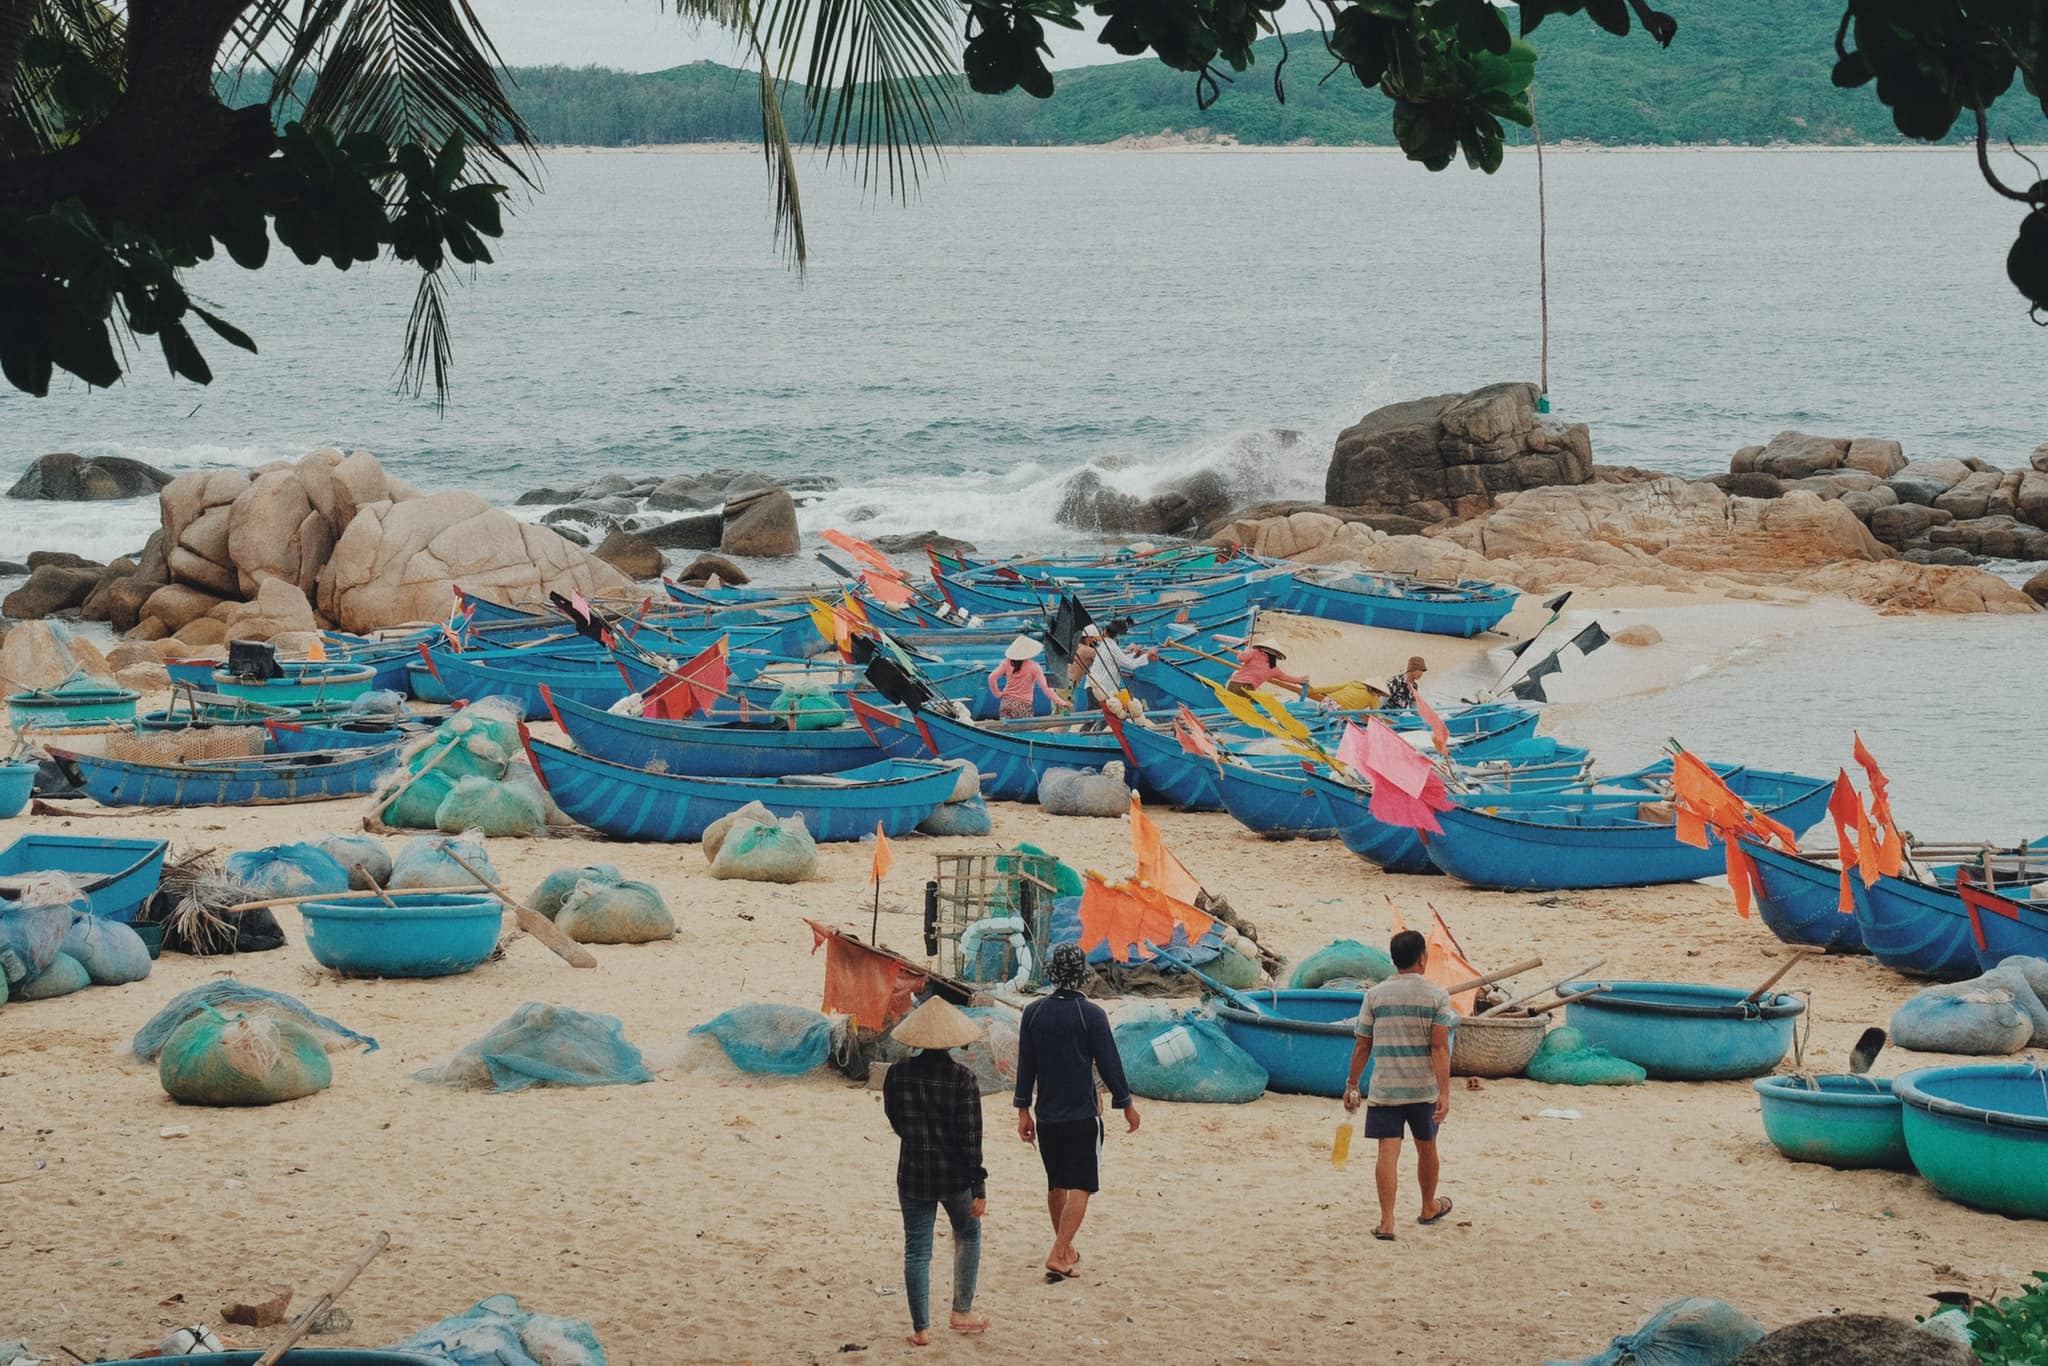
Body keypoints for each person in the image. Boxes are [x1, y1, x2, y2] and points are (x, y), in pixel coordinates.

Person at [1014, 944, 1139, 1280]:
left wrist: (1023, 1110)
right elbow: (1110, 1064)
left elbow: (1026, 1066)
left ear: (1053, 974)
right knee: (1081, 1185)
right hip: (1083, 1115)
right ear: (1083, 975)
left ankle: (1065, 1248)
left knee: (1057, 1185)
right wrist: (1126, 1104)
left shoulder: (1034, 1013)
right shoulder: (1092, 1015)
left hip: (1048, 1116)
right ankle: (1058, 1252)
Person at [882, 997, 992, 1346]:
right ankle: (961, 1311)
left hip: (913, 1173)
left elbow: (896, 1121)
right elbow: (971, 1138)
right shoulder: (964, 1079)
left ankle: (921, 1329)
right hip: (956, 1176)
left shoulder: (897, 1074)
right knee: (969, 1234)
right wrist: (979, 1186)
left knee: (917, 1250)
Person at [1343, 929, 1457, 1240]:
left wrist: (1352, 1085)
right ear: (1423, 959)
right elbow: (1439, 1048)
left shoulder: (1375, 995)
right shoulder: (1437, 996)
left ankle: (1387, 1221)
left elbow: (1362, 1046)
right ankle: (1428, 1206)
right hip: (1422, 1089)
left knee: (1387, 1153)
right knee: (1427, 1148)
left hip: (1386, 1089)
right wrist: (1444, 1093)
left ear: (1394, 961)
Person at [988, 636, 1064, 720]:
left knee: (1007, 729)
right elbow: (1046, 688)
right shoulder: (1034, 667)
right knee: (1024, 730)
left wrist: (998, 694)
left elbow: (992, 678)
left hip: (1006, 702)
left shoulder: (1007, 662)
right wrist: (1061, 702)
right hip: (1023, 705)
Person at [1225, 638, 1309, 698]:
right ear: (1275, 657)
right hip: (1248, 689)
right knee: (1243, 707)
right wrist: (1299, 680)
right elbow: (1285, 678)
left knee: (1232, 704)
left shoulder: (1255, 653)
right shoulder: (1273, 669)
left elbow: (1241, 658)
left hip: (1233, 684)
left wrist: (1240, 653)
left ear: (1262, 649)